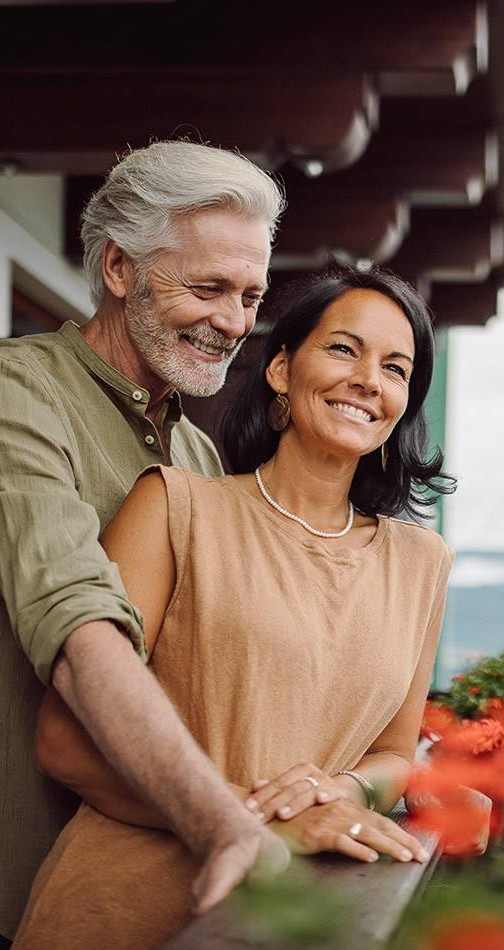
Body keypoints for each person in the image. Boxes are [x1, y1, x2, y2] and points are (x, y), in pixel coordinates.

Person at [13, 265, 457, 948]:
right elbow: (65, 743)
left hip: (297, 921)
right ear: (282, 369)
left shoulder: (422, 563)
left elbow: (397, 750)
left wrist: (344, 793)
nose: (370, 378)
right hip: (126, 910)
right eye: (343, 348)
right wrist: (260, 822)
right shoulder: (174, 506)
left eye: (396, 368)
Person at [0, 140, 289, 945]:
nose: (234, 323)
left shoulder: (197, 456)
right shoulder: (16, 393)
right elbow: (81, 632)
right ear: (120, 269)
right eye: (208, 288)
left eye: (250, 295)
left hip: (133, 900)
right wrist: (228, 827)